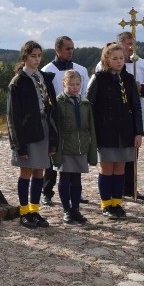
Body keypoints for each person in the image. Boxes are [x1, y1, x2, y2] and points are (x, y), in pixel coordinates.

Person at [96, 32, 144, 200]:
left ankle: (127, 190)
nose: (131, 47)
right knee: (109, 165)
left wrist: (140, 87)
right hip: (108, 126)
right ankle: (109, 199)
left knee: (127, 161)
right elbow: (94, 102)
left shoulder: (140, 65)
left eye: (133, 44)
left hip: (128, 124)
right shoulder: (101, 72)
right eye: (128, 44)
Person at [87, 43, 142, 220]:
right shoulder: (99, 78)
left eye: (121, 58)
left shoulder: (128, 79)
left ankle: (117, 203)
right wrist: (92, 130)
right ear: (107, 60)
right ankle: (106, 204)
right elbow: (89, 106)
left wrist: (138, 132)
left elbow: (136, 107)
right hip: (105, 130)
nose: (119, 61)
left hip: (125, 130)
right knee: (107, 168)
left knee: (120, 168)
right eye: (115, 58)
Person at [7, 40, 58, 229]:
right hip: (27, 132)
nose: (36, 60)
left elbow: (52, 108)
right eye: (32, 56)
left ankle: (35, 210)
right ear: (25, 57)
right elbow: (13, 116)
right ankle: (24, 212)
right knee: (26, 172)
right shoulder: (18, 82)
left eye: (39, 56)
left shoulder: (44, 78)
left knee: (40, 171)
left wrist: (54, 137)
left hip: (43, 128)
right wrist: (18, 145)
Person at [40, 36, 90, 206]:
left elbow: (85, 94)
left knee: (75, 160)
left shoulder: (80, 70)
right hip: (55, 120)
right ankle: (47, 191)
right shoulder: (48, 70)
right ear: (57, 50)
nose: (71, 51)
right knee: (53, 159)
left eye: (72, 48)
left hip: (75, 120)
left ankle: (76, 193)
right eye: (67, 48)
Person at [53, 70, 97, 224]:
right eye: (71, 84)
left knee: (77, 180)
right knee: (65, 179)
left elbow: (91, 128)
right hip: (65, 147)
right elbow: (56, 128)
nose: (75, 87)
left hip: (81, 146)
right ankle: (66, 210)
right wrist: (56, 154)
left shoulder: (85, 103)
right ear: (64, 83)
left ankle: (75, 209)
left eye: (77, 84)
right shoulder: (59, 102)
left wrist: (92, 152)